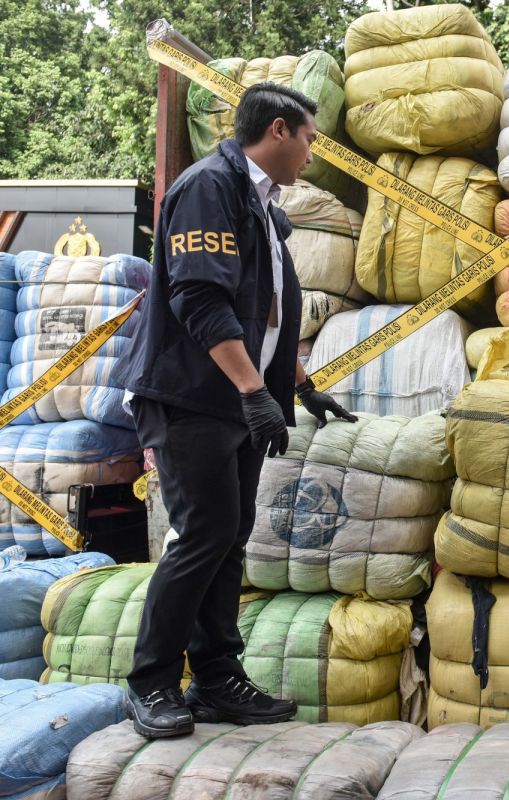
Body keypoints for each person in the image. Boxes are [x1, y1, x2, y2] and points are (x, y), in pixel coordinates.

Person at [118, 83, 357, 738]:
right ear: (278, 131)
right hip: (192, 395)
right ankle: (151, 683)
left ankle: (217, 679)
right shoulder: (209, 188)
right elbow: (202, 302)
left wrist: (301, 386)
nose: (311, 153)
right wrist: (255, 393)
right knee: (201, 534)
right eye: (309, 138)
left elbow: (265, 314)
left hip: (234, 401)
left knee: (229, 536)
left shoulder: (261, 207)